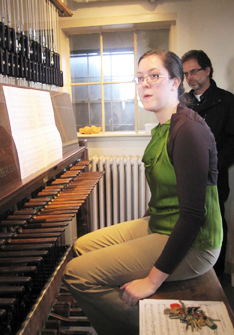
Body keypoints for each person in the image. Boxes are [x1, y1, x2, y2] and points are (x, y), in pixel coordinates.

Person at [63, 50, 223, 335]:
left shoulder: (188, 131)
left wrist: (150, 281)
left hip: (196, 243)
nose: (144, 84)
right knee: (81, 246)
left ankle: (157, 326)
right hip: (161, 225)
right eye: (139, 78)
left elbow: (193, 216)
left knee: (77, 275)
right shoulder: (164, 126)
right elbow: (163, 192)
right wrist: (140, 230)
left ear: (175, 82)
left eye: (154, 76)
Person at [181, 50, 234, 277]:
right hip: (185, 177)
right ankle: (189, 273)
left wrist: (215, 166)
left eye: (194, 71)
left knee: (215, 225)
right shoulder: (183, 102)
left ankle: (216, 277)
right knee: (186, 224)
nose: (190, 77)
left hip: (214, 177)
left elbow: (233, 142)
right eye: (185, 73)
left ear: (208, 70)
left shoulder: (227, 101)